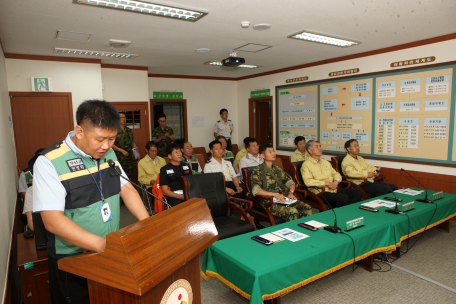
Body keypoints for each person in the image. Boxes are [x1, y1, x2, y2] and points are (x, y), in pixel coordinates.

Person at [32, 99, 149, 304]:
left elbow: (126, 188)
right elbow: (51, 220)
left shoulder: (108, 153)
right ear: (79, 131)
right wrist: (102, 246)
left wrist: (148, 224)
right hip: (74, 260)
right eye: (100, 139)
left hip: (109, 249)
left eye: (112, 139)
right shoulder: (49, 161)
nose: (106, 146)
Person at [250, 144, 312, 222]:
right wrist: (275, 194)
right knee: (292, 211)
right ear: (263, 155)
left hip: (283, 198)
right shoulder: (257, 170)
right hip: (268, 202)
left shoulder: (277, 168)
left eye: (273, 151)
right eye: (270, 152)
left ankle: (305, 229)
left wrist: (291, 192)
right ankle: (292, 232)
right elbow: (256, 191)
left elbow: (290, 182)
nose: (273, 153)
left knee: (306, 207)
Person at [301, 140, 363, 208]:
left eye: (320, 146)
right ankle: (341, 215)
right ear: (310, 150)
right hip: (319, 192)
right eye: (317, 147)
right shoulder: (306, 165)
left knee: (357, 192)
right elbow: (308, 182)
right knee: (343, 198)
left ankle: (349, 211)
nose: (320, 148)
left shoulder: (325, 162)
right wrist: (327, 183)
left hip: (333, 189)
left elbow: (336, 174)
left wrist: (335, 183)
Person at [112, 112, 139, 181]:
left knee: (130, 176)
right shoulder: (114, 130)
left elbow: (133, 143)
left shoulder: (129, 131)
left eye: (124, 117)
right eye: (121, 117)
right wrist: (121, 150)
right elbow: (111, 144)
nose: (123, 119)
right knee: (120, 177)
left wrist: (137, 156)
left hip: (129, 158)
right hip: (119, 158)